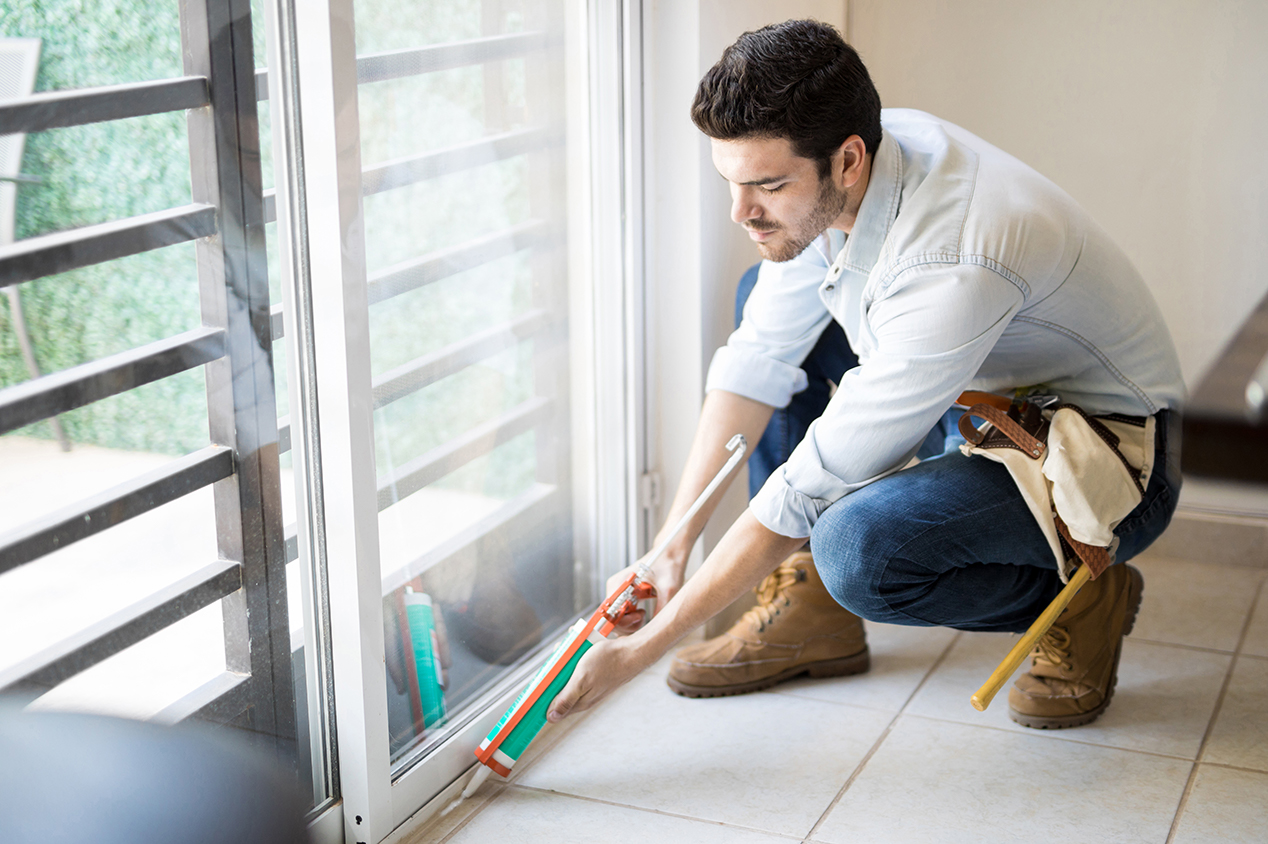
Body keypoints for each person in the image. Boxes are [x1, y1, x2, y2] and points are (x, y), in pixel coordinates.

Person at [548, 19, 1184, 731]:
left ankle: (1082, 594)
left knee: (856, 549)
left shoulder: (952, 259)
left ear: (846, 161)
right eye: (731, 182)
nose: (741, 213)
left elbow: (808, 487)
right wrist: (670, 547)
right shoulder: (866, 153)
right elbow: (759, 359)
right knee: (759, 299)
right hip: (979, 394)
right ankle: (808, 606)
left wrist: (637, 652)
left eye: (766, 185)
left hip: (1104, 454)